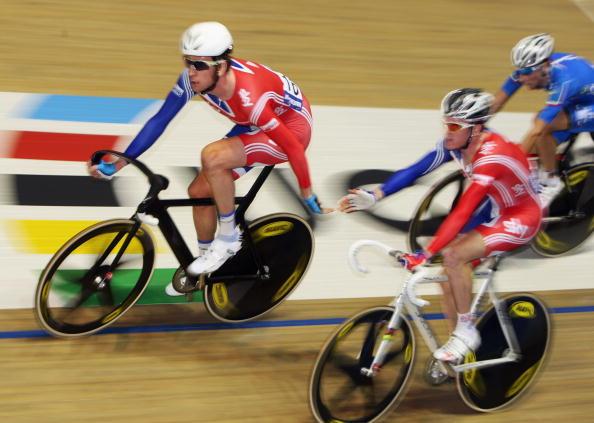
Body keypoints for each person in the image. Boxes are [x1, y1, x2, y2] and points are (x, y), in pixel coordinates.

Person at [87, 21, 330, 289]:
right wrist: (120, 161)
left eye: (199, 65)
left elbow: (293, 147)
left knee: (212, 156)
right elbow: (160, 120)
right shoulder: (195, 79)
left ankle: (227, 240)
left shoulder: (250, 97)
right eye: (188, 62)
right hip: (255, 122)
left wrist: (307, 193)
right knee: (199, 192)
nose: (191, 72)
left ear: (221, 66)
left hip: (291, 130)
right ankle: (203, 272)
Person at [339, 88, 542, 363]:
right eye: (446, 123)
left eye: (454, 125)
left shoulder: (490, 157)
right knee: (449, 274)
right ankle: (458, 342)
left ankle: (467, 332)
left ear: (476, 128)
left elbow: (462, 212)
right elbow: (415, 170)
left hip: (521, 217)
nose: (447, 131)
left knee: (452, 255)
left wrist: (425, 253)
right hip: (496, 209)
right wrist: (376, 195)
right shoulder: (458, 144)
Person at [491, 33, 594, 207]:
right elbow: (496, 103)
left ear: (544, 66)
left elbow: (539, 128)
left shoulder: (564, 80)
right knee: (540, 140)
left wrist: (510, 165)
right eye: (519, 71)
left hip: (588, 104)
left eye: (526, 72)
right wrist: (472, 125)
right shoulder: (532, 68)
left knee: (543, 126)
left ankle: (551, 182)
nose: (521, 78)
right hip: (579, 99)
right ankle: (549, 169)